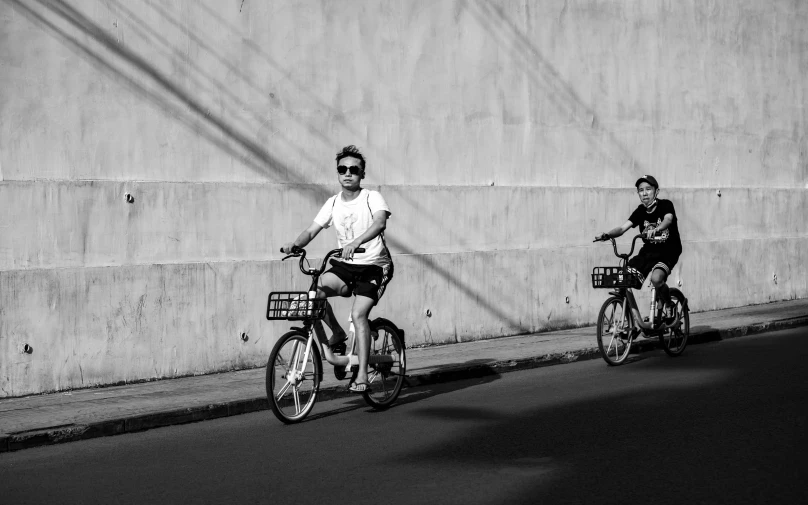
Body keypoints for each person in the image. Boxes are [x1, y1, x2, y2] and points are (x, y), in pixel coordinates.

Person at [281, 145, 393, 393]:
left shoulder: (371, 197)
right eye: (343, 169)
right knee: (314, 294)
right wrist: (295, 244)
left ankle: (362, 374)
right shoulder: (332, 203)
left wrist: (356, 242)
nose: (348, 173)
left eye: (354, 169)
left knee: (359, 315)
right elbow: (311, 230)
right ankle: (338, 334)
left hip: (374, 265)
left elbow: (379, 222)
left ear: (362, 174)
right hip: (345, 265)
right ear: (338, 173)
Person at [596, 175, 682, 321]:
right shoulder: (640, 211)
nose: (644, 193)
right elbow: (623, 228)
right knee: (623, 277)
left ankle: (668, 304)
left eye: (648, 189)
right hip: (649, 252)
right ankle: (632, 323)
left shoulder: (666, 205)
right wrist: (607, 235)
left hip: (669, 250)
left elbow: (668, 219)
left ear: (656, 191)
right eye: (640, 190)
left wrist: (658, 229)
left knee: (656, 279)